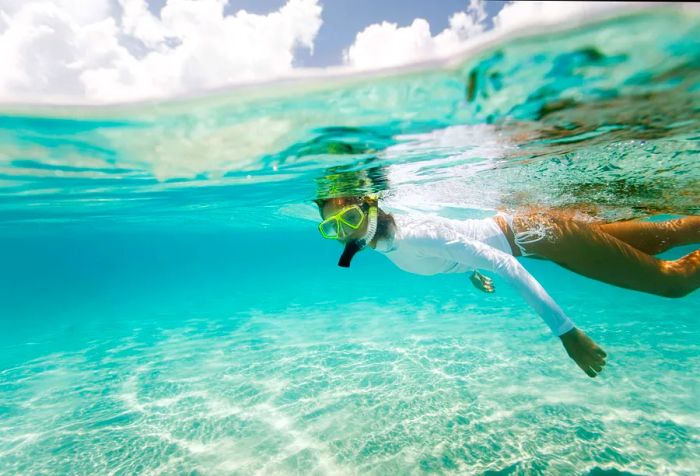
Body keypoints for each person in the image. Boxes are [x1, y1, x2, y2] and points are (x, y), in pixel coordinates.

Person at [314, 193, 700, 378]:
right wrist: (468, 270)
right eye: (331, 228)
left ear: (368, 206)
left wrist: (567, 333)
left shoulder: (415, 235)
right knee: (662, 235)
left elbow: (502, 261)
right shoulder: (394, 241)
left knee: (674, 282)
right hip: (537, 236)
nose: (342, 234)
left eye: (347, 219)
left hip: (541, 236)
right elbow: (460, 243)